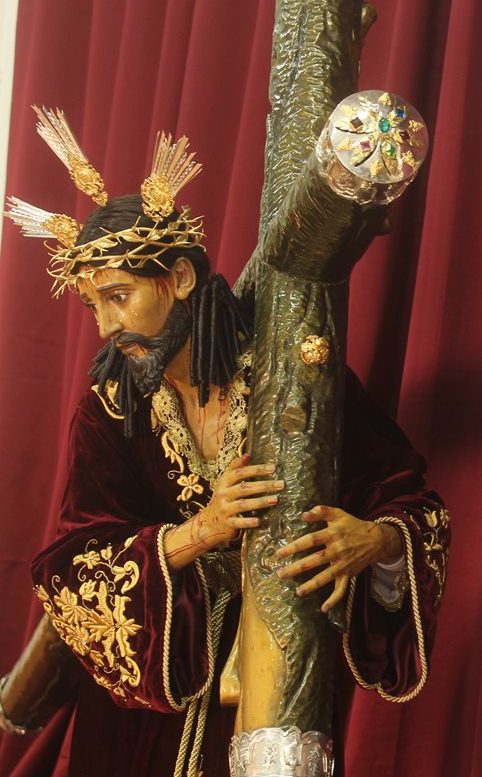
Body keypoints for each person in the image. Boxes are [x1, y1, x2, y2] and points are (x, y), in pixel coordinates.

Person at [3, 116, 450, 776]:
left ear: (179, 279)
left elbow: (415, 504)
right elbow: (69, 566)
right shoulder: (111, 408)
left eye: (119, 297)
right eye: (94, 305)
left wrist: (376, 542)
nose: (106, 326)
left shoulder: (296, 381)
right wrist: (197, 534)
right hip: (138, 725)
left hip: (272, 695)